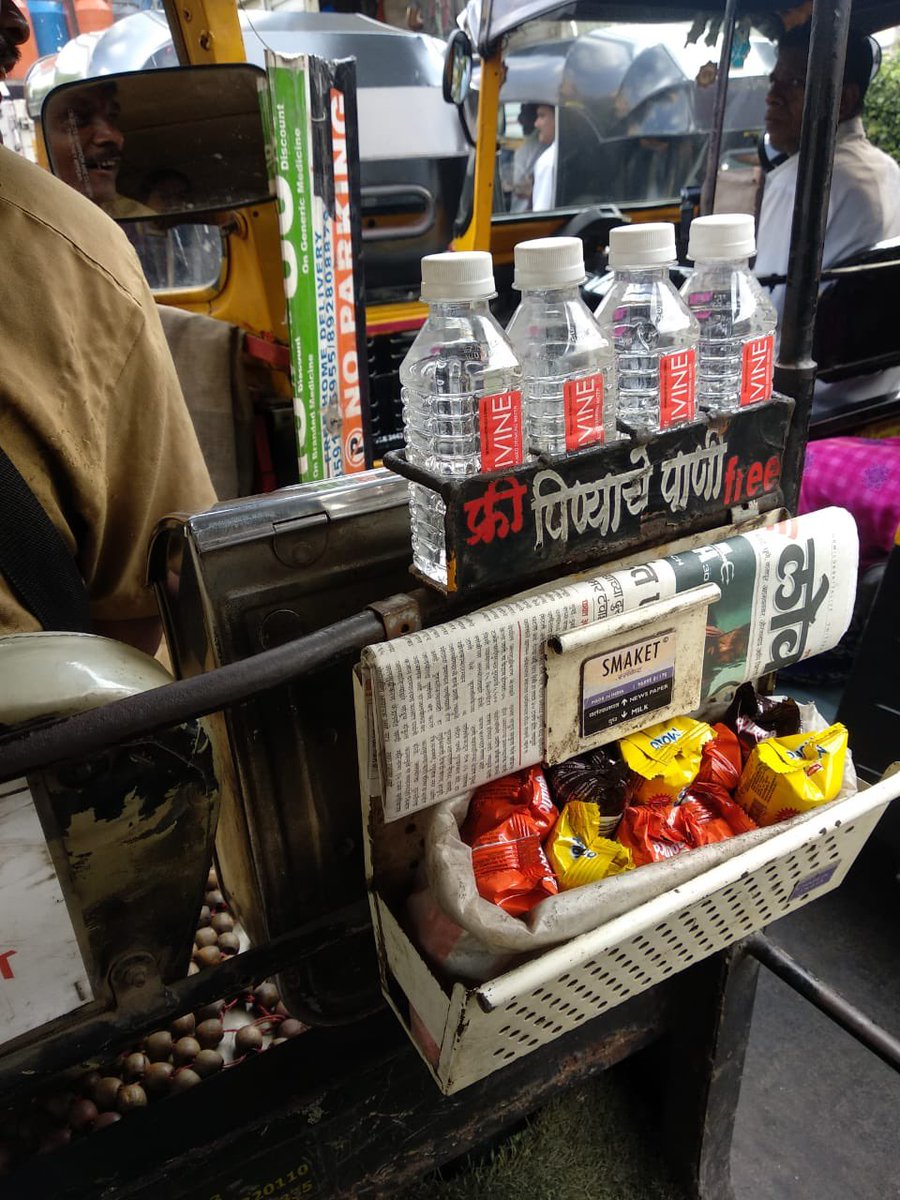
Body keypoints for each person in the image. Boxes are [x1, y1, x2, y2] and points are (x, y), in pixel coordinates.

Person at [0, 0, 216, 653]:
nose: (108, 138)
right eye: (82, 119)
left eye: (115, 121)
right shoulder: (81, 253)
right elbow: (141, 607)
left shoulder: (121, 231)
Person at [754, 23, 900, 407]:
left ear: (844, 98)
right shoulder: (889, 170)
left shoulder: (800, 183)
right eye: (774, 80)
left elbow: (759, 319)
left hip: (804, 407)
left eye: (795, 83)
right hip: (881, 395)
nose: (773, 96)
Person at [42, 79, 155, 219]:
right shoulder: (29, 222)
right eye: (77, 119)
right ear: (42, 139)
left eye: (112, 117)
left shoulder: (140, 217)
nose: (116, 137)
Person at [509, 103, 544, 213]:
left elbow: (521, 188)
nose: (519, 119)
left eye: (525, 114)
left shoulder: (538, 147)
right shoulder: (525, 145)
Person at [531, 103, 557, 210]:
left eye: (542, 116)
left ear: (558, 119)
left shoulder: (548, 162)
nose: (536, 124)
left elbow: (541, 213)